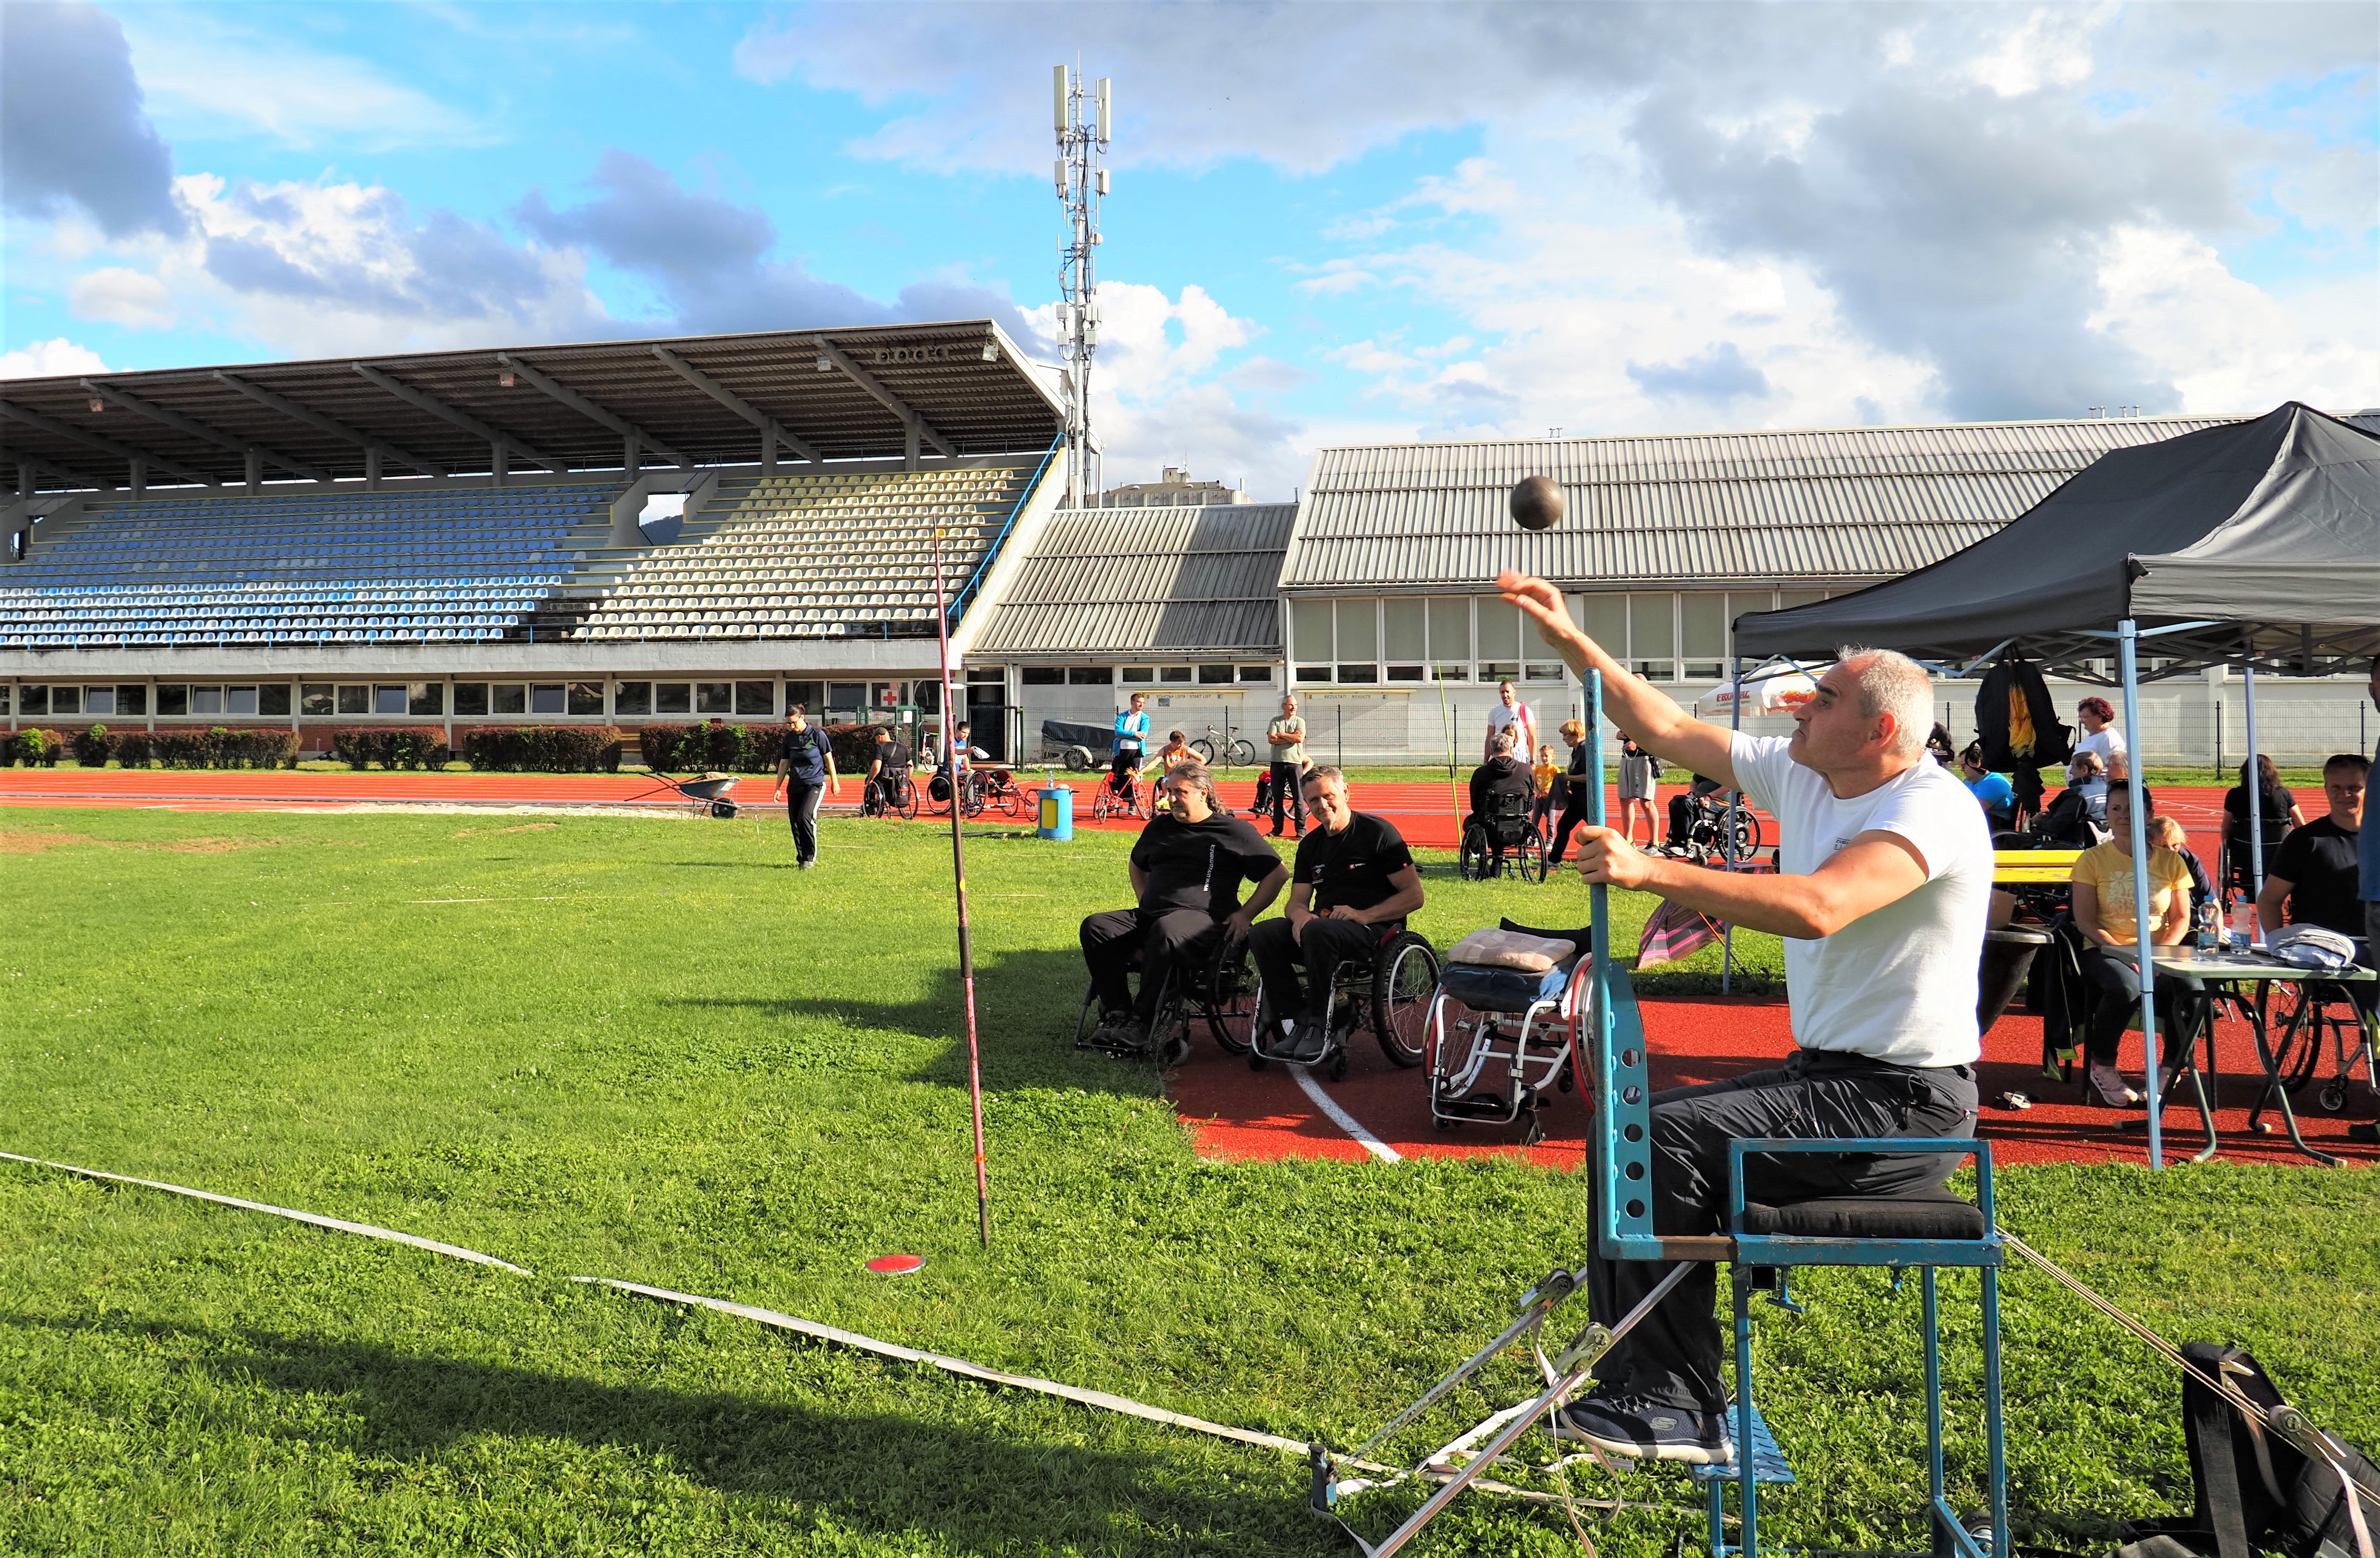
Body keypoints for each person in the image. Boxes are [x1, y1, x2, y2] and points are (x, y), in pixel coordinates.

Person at [1497, 567, 1989, 1466]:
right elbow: (1663, 726)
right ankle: (1650, 1378)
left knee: (1654, 1141)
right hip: (1837, 1082)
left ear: (1878, 730)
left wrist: (1652, 870)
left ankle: (1672, 1403)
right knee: (1628, 1134)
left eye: (1823, 698)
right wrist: (1569, 637)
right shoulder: (1805, 770)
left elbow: (1819, 906)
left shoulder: (1930, 807)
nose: (1798, 703)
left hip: (1906, 1108)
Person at [1078, 762, 1288, 1052]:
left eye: (1180, 792)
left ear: (1203, 793)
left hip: (1205, 921)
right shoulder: (1160, 827)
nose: (1172, 798)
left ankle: (1140, 1023)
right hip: (1153, 916)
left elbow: (1278, 874)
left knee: (1166, 930)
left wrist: (1245, 915)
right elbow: (1137, 864)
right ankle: (1118, 1013)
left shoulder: (1233, 831)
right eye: (1169, 792)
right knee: (1096, 926)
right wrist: (1144, 898)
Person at [1247, 767, 1426, 1062]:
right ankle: (1299, 1017)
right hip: (1322, 930)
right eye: (1313, 800)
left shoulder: (1377, 833)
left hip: (1372, 931)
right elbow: (1296, 903)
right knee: (1263, 933)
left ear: (1345, 792)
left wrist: (1364, 915)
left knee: (1319, 931)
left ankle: (1321, 1023)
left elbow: (1414, 896)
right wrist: (1300, 917)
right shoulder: (1310, 845)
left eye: (1328, 796)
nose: (1322, 805)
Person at [2069, 784, 2196, 1107]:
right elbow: (2085, 921)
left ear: (2149, 815)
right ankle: (2102, 1066)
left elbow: (2181, 918)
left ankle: (2170, 1068)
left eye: (2133, 808)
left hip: (2159, 952)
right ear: (2107, 815)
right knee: (2127, 986)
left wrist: (2156, 957)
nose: (2124, 815)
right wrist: (2126, 955)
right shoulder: (2092, 860)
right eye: (2116, 809)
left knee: (2193, 990)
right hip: (2105, 950)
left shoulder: (2172, 862)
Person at [2256, 754, 2367, 942]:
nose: (2345, 795)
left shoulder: (2375, 839)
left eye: (2354, 788)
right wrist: (2280, 944)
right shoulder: (2304, 840)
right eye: (2336, 788)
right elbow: (2270, 900)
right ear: (2326, 790)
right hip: (2320, 950)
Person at [2222, 754, 2305, 897]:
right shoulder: (2283, 794)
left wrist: (2227, 846)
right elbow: (2301, 826)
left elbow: (2226, 828)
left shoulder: (2235, 795)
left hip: (2245, 856)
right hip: (2280, 855)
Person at [770, 704, 841, 869]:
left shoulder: (817, 735)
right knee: (795, 822)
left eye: (793, 723)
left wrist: (835, 781)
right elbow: (784, 763)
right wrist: (778, 788)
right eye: (788, 723)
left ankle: (810, 857)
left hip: (814, 784)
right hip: (795, 784)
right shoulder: (790, 739)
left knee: (805, 818)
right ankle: (802, 858)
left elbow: (829, 758)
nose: (791, 726)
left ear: (802, 718)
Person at [1467, 727, 1536, 868]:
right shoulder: (1526, 770)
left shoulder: (1481, 773)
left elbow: (1475, 803)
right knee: (1500, 819)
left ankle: (1481, 856)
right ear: (1511, 748)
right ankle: (1497, 863)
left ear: (1491, 751)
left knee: (1472, 822)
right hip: (1519, 825)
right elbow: (1531, 801)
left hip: (1489, 825)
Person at [1547, 719, 1595, 867]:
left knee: (1596, 830)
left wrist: (1567, 778)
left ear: (1575, 735)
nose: (1564, 739)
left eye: (1566, 735)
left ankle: (1605, 856)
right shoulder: (1576, 751)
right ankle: (1554, 860)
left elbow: (1589, 776)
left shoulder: (1585, 750)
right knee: (1563, 826)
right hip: (1577, 798)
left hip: (1585, 798)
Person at [1264, 694, 1310, 838]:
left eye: (1295, 705)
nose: (1294, 707)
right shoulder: (1275, 721)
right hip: (1277, 763)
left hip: (1295, 763)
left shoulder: (1300, 721)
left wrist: (1281, 735)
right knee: (1278, 799)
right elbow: (1272, 739)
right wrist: (1291, 737)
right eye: (1291, 705)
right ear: (1283, 706)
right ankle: (1277, 829)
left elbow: (1299, 738)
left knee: (1298, 798)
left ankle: (1301, 830)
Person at [1957, 741, 2017, 832]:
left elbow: (1973, 811)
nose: (1962, 769)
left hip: (1994, 829)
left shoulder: (1994, 783)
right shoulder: (1970, 782)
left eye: (1964, 765)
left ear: (1977, 763)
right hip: (1982, 826)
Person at [1110, 692, 1151, 807]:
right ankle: (1115, 800)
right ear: (1132, 702)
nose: (1141, 705)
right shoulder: (1122, 717)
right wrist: (1134, 734)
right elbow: (1118, 732)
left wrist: (1125, 735)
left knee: (1134, 777)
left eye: (1143, 703)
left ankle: (1132, 804)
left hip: (1136, 753)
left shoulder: (1145, 718)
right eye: (1139, 702)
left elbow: (1142, 735)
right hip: (1121, 752)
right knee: (1116, 775)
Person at [1617, 735, 1657, 847]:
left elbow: (1654, 733)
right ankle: (1628, 840)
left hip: (1644, 758)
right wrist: (1621, 733)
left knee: (1646, 802)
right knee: (1625, 799)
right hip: (1627, 758)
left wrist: (1637, 742)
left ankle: (1654, 842)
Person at [1484, 680, 1538, 763]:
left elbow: (1532, 737)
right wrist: (1486, 760)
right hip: (1500, 757)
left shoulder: (1525, 711)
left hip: (1519, 757)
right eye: (1502, 692)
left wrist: (1533, 761)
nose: (1505, 695)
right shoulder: (1494, 712)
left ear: (1514, 692)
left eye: (1507, 692)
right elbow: (1490, 737)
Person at [863, 726, 912, 815]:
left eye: (876, 740)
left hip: (886, 779)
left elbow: (877, 767)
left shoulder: (880, 747)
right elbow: (910, 765)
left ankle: (872, 806)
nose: (876, 742)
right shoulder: (902, 747)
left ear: (879, 737)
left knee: (869, 780)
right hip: (900, 779)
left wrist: (870, 779)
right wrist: (907, 779)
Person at [2074, 696, 2127, 778]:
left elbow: (2112, 768)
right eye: (2081, 717)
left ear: (2100, 716)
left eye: (2086, 717)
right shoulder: (2093, 736)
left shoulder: (2109, 737)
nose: (2082, 721)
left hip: (2095, 785)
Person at [1532, 741, 1563, 834]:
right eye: (1542, 756)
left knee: (1550, 820)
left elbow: (1559, 783)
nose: (1544, 758)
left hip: (1551, 799)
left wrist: (1550, 790)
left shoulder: (1554, 769)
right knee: (1535, 819)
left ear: (1553, 757)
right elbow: (1534, 782)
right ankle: (1534, 837)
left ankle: (1550, 839)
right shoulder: (1538, 770)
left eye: (1546, 756)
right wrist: (1537, 791)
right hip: (1540, 798)